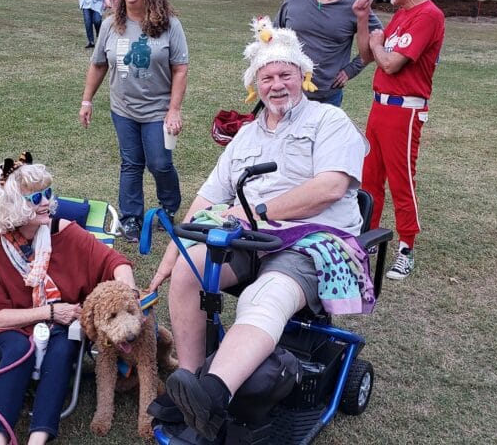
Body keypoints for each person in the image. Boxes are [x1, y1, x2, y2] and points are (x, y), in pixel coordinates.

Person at [147, 23, 369, 440]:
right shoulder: (246, 135)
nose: (276, 84)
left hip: (313, 241)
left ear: (302, 76)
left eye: (285, 74)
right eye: (267, 77)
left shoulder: (329, 120)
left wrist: (254, 212)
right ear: (255, 85)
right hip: (252, 238)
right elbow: (208, 198)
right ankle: (190, 384)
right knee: (189, 272)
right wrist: (174, 253)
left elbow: (330, 187)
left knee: (263, 296)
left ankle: (213, 395)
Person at [0, 152, 137, 445]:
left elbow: (116, 262)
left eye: (47, 193)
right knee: (19, 347)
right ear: (12, 205)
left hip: (59, 322)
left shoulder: (64, 232)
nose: (46, 202)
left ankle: (38, 439)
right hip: (6, 323)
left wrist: (127, 295)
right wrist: (50, 313)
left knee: (64, 345)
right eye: (35, 198)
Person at [79, 0, 189, 243]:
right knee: (131, 163)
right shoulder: (110, 25)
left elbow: (180, 69)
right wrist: (87, 100)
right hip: (123, 109)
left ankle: (169, 207)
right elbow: (98, 64)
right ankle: (131, 218)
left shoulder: (170, 25)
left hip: (157, 110)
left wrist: (174, 109)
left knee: (159, 163)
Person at [354, 0, 445, 280]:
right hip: (379, 106)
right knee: (369, 177)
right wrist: (362, 19)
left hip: (405, 111)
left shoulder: (429, 15)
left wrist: (378, 44)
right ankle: (368, 238)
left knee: (401, 180)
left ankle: (406, 249)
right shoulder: (402, 14)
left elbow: (391, 64)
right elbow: (368, 55)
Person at [275, 0, 383, 107]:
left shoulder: (355, 5)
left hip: (326, 98)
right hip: (286, 92)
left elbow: (381, 39)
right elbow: (274, 33)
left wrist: (351, 69)